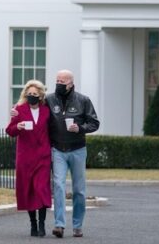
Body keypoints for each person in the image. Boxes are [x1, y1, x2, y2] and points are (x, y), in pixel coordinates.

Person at [44, 69, 98, 238]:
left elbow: (94, 123)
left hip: (78, 150)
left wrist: (80, 128)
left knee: (79, 190)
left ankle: (77, 225)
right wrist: (17, 112)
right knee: (58, 186)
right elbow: (37, 117)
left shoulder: (83, 100)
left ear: (71, 84)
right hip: (58, 149)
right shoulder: (49, 100)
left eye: (63, 82)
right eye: (57, 80)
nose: (59, 84)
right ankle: (59, 225)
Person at [5, 80, 52, 237]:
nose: (32, 96)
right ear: (25, 94)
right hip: (25, 157)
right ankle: (33, 223)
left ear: (40, 96)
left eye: (35, 94)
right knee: (29, 190)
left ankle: (42, 225)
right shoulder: (19, 110)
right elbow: (9, 130)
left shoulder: (46, 111)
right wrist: (17, 126)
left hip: (43, 156)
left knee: (41, 189)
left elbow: (53, 129)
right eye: (29, 94)